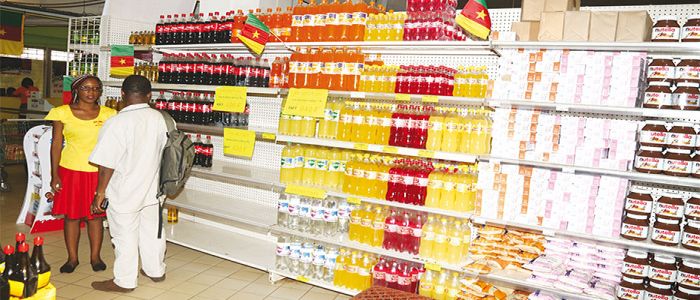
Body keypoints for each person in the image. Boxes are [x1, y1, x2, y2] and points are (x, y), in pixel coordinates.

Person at [89, 75, 169, 293]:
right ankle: (155, 270)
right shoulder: (159, 118)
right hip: (153, 189)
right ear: (149, 95)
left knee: (124, 236)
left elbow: (106, 164)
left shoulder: (117, 122)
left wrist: (100, 192)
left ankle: (124, 281)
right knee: (153, 232)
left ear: (123, 94)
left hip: (124, 191)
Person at [44, 75, 117, 273]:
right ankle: (72, 259)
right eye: (86, 88)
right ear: (77, 89)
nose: (91, 92)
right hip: (70, 172)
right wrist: (54, 174)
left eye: (96, 88)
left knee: (95, 217)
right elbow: (56, 145)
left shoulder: (110, 114)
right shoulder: (61, 113)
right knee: (72, 217)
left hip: (99, 173)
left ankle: (95, 257)